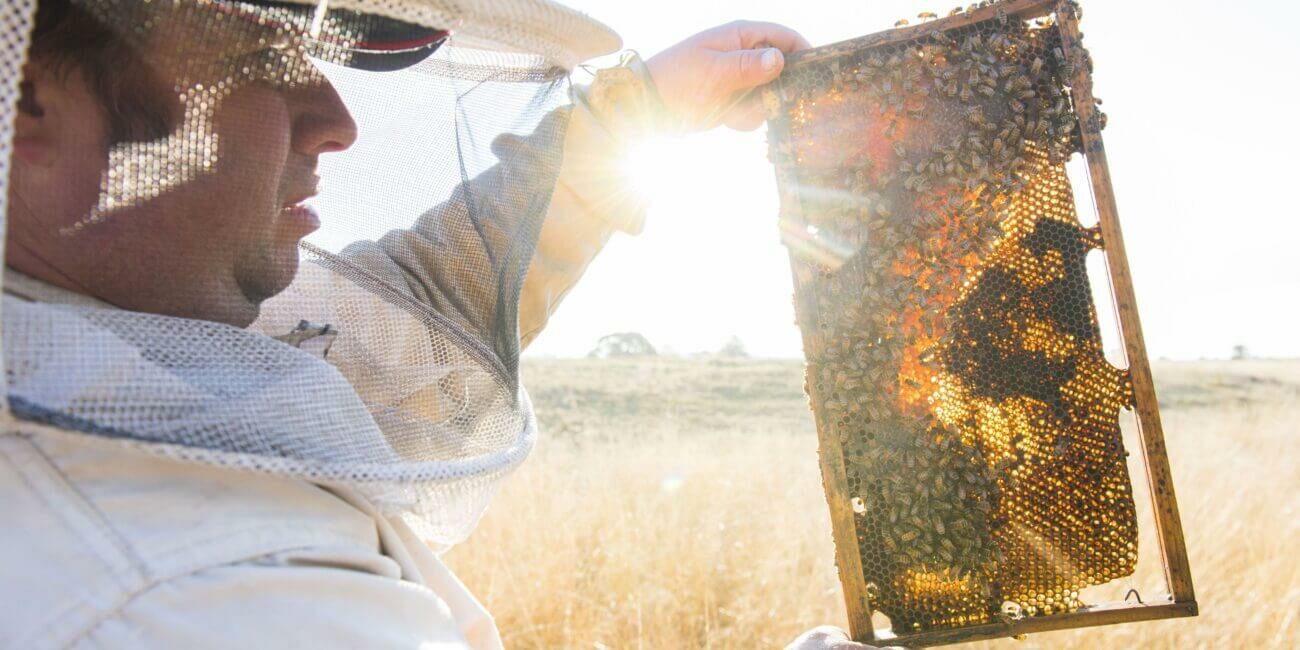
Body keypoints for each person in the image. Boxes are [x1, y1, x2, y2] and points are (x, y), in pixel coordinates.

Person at [0, 0, 893, 647]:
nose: (338, 119)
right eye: (264, 48)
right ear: (33, 89)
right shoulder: (205, 596)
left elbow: (410, 330)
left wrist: (630, 121)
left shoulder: (98, 365)